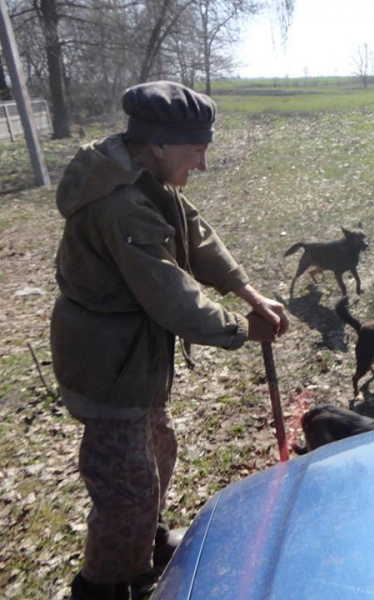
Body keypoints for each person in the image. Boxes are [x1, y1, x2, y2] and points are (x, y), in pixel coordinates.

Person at [49, 80, 289, 600]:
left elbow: (194, 234)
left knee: (158, 452)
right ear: (158, 144)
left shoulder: (145, 177)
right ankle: (104, 586)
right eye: (196, 150)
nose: (202, 165)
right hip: (107, 365)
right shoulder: (120, 205)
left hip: (135, 361)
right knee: (125, 489)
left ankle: (146, 544)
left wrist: (248, 293)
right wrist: (238, 327)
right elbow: (171, 295)